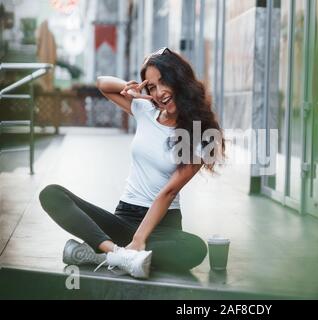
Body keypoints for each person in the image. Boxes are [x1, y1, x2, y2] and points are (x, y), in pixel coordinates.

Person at [39, 48, 225, 279]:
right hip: (125, 217)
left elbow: (169, 192)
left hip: (163, 226)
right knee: (52, 194)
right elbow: (103, 84)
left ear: (180, 80)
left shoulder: (201, 133)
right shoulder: (146, 110)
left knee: (195, 249)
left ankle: (104, 253)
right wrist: (134, 89)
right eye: (152, 86)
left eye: (163, 81)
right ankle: (118, 254)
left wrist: (139, 240)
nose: (159, 93)